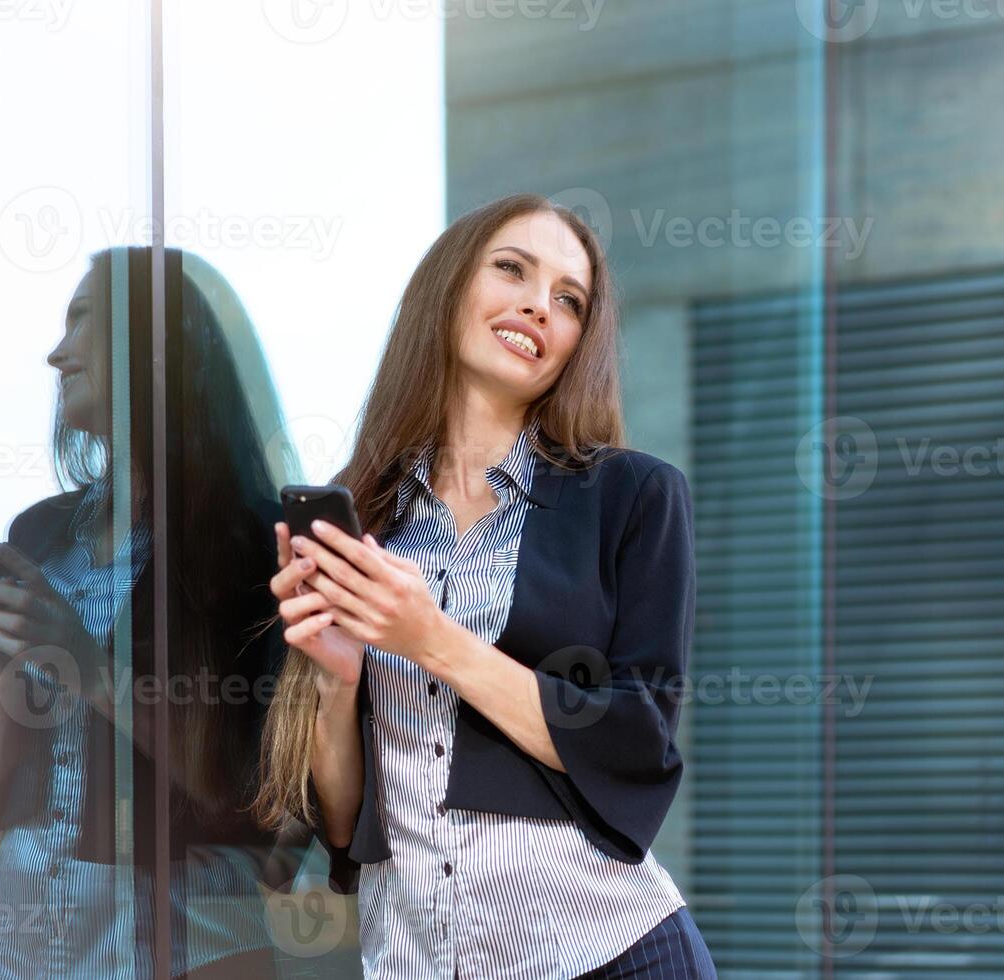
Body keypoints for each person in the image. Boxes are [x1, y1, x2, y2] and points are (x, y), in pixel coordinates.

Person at [253, 193, 718, 979]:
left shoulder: (634, 497)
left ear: (577, 343)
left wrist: (430, 640)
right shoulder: (363, 514)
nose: (539, 305)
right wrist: (337, 684)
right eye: (512, 269)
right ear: (449, 288)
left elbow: (637, 742)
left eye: (568, 301)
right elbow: (345, 828)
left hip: (612, 954)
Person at [0, 246, 297, 978]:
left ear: (153, 344)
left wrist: (87, 664)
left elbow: (257, 804)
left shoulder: (252, 543)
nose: (55, 354)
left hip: (189, 954)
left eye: (81, 321)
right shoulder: (41, 532)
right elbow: (1, 777)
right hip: (20, 952)